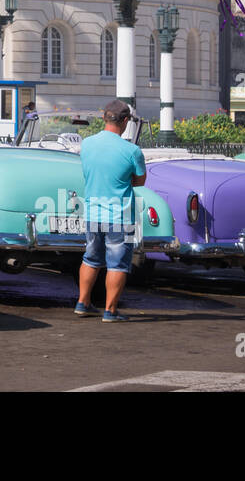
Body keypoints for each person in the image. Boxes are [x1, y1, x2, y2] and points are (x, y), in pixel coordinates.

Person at [76, 99, 146, 322]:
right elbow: (140, 180)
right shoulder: (132, 150)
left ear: (105, 118)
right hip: (119, 216)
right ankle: (110, 310)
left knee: (90, 259)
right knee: (117, 264)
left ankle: (82, 302)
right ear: (125, 121)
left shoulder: (87, 144)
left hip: (92, 213)